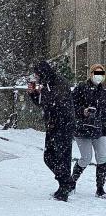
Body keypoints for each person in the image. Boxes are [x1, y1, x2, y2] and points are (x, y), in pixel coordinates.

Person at [28, 61, 75, 201]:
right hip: (53, 126)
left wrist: (41, 93)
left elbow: (57, 103)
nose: (35, 77)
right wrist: (34, 94)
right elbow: (43, 104)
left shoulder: (58, 82)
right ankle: (66, 182)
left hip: (63, 126)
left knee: (61, 157)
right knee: (49, 157)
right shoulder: (47, 84)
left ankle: (65, 186)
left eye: (37, 73)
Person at [71, 63, 106, 197]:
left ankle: (100, 188)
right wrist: (83, 111)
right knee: (86, 158)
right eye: (96, 73)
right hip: (83, 129)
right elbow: (71, 105)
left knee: (102, 158)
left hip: (100, 129)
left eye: (101, 74)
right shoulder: (81, 88)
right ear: (91, 74)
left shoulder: (103, 91)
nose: (99, 77)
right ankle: (71, 182)